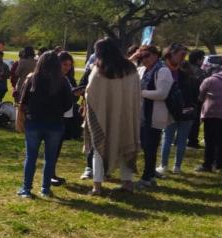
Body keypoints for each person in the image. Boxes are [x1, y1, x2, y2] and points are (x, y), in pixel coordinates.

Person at [83, 38, 141, 196]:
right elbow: (137, 91)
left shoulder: (99, 69)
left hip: (103, 116)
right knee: (125, 147)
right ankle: (127, 182)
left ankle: (97, 186)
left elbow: (90, 93)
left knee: (99, 149)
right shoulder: (131, 68)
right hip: (127, 115)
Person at [17, 51, 76, 198]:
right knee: (50, 158)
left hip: (34, 122)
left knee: (31, 157)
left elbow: (23, 100)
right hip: (55, 124)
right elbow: (69, 103)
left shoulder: (32, 79)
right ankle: (45, 188)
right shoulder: (62, 81)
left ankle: (26, 188)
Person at [135, 44, 173, 188]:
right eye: (141, 57)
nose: (144, 59)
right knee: (145, 146)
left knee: (150, 147)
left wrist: (140, 93)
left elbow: (162, 94)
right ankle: (149, 175)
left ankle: (147, 177)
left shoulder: (163, 71)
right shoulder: (142, 70)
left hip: (155, 116)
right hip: (142, 115)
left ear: (156, 55)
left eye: (147, 56)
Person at [158, 43, 197, 175]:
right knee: (171, 138)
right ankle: (169, 165)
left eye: (184, 55)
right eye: (181, 55)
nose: (183, 58)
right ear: (171, 54)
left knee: (173, 139)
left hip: (181, 110)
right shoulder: (173, 72)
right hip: (176, 110)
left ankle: (173, 166)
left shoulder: (182, 73)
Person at [50, 51, 82, 186]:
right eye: (64, 64)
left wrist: (75, 93)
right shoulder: (54, 78)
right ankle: (49, 175)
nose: (67, 67)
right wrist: (72, 94)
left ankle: (52, 173)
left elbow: (71, 98)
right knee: (53, 148)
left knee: (57, 148)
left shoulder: (67, 78)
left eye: (69, 65)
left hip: (65, 117)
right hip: (56, 117)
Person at [186, 49, 207, 148]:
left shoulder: (183, 68)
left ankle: (179, 139)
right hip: (196, 99)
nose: (203, 61)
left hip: (183, 98)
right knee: (194, 122)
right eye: (203, 58)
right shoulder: (200, 72)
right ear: (198, 59)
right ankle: (193, 140)